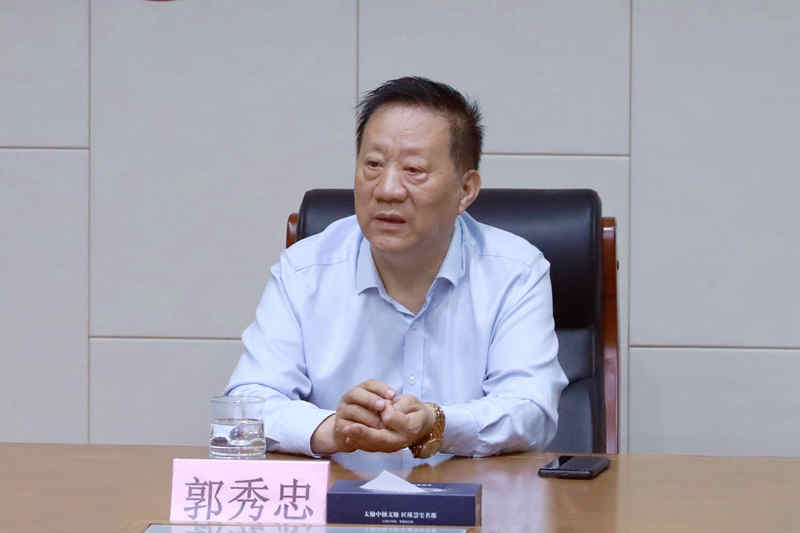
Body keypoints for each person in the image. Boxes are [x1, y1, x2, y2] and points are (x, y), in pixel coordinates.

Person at [226, 76, 567, 458]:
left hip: (472, 491)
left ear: (466, 190)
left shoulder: (514, 271)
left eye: (414, 170)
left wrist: (435, 423)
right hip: (340, 491)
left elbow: (531, 409)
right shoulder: (305, 269)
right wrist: (332, 429)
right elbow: (246, 404)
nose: (387, 189)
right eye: (373, 164)